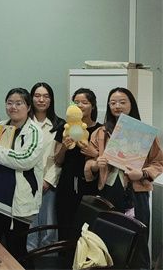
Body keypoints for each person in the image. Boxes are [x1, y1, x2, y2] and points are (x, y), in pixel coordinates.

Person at [85, 87, 163, 269]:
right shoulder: (101, 132)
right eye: (113, 103)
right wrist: (96, 164)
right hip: (108, 190)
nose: (117, 106)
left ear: (131, 105)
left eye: (122, 102)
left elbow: (158, 162)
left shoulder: (144, 133)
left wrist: (142, 173)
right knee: (109, 238)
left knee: (138, 238)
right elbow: (89, 161)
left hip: (136, 192)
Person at [0, 87, 44, 261]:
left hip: (19, 203)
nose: (13, 107)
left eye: (19, 103)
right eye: (10, 103)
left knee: (17, 250)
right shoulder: (1, 126)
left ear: (28, 107)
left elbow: (25, 160)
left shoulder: (34, 131)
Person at [54, 87, 100, 241]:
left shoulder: (100, 130)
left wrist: (94, 153)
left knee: (88, 232)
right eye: (76, 102)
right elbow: (58, 160)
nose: (80, 105)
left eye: (84, 102)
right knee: (65, 228)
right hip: (66, 185)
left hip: (90, 187)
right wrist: (64, 147)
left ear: (93, 106)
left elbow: (106, 160)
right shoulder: (64, 128)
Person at [26, 82, 62, 250]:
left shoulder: (59, 125)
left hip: (50, 183)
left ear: (51, 100)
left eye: (46, 96)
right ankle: (28, 256)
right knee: (29, 223)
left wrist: (48, 180)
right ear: (31, 99)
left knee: (49, 224)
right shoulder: (24, 123)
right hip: (27, 182)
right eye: (37, 96)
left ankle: (49, 258)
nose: (41, 100)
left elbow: (59, 158)